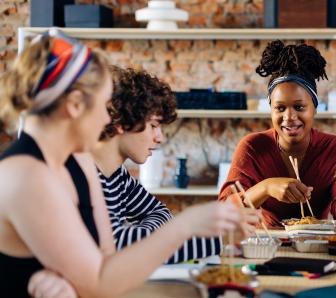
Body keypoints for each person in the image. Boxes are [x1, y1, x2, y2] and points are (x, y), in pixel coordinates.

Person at [0, 29, 256, 297]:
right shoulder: (26, 177)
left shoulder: (82, 164)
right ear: (75, 105)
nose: (106, 120)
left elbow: (108, 262)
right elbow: (100, 282)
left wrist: (77, 284)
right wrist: (186, 225)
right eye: (102, 106)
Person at [219, 40, 336, 228]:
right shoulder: (252, 147)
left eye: (299, 107)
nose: (289, 117)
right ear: (271, 111)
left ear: (314, 108)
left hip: (318, 249)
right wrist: (265, 188)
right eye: (280, 108)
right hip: (265, 249)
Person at [93, 66, 222, 263]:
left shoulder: (118, 176)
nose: (160, 137)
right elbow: (115, 250)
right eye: (153, 126)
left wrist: (141, 236)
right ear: (121, 121)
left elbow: (160, 213)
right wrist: (221, 240)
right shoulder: (83, 176)